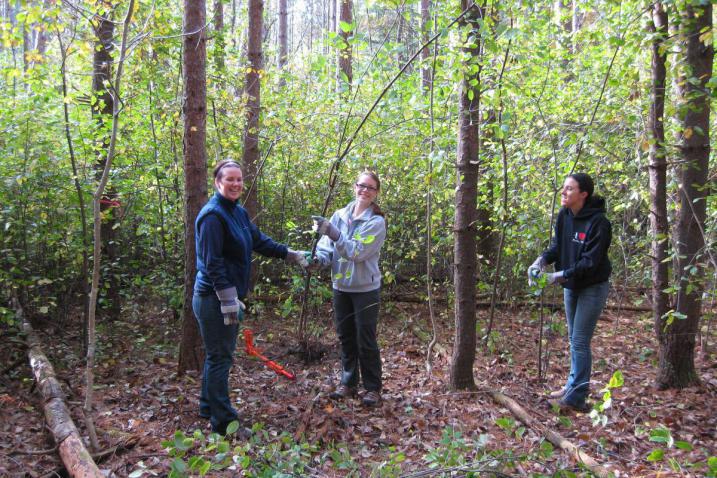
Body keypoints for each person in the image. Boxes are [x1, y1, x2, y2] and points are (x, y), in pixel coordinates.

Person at [193, 159, 309, 434]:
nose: (235, 184)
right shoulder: (212, 216)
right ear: (217, 182)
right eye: (229, 179)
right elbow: (212, 263)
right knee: (221, 358)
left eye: (239, 179)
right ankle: (223, 423)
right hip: (213, 298)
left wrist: (291, 254)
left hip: (224, 297)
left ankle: (208, 407)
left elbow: (259, 241)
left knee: (217, 355)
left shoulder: (238, 212)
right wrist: (228, 299)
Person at [528, 173, 611, 413]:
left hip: (592, 287)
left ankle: (576, 397)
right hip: (571, 286)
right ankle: (572, 386)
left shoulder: (599, 223)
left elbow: (590, 263)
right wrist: (540, 261)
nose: (563, 193)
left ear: (583, 194)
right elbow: (557, 247)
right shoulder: (565, 215)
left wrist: (556, 276)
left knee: (580, 341)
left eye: (569, 189)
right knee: (574, 339)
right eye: (563, 188)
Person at [311, 171, 387, 407]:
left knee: (366, 338)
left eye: (371, 188)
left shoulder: (376, 221)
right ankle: (349, 382)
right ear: (354, 187)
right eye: (361, 186)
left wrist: (333, 233)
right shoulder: (339, 215)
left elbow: (355, 252)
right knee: (345, 336)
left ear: (376, 193)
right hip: (341, 286)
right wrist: (317, 260)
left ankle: (372, 387)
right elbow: (326, 248)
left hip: (366, 288)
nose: (365, 190)